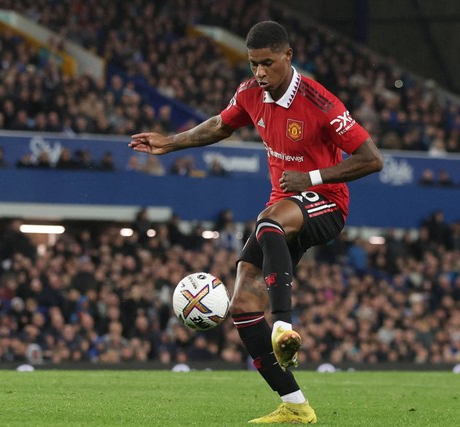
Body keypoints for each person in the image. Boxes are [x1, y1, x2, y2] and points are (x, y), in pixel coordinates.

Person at [130, 21, 383, 424]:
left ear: (288, 56)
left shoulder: (321, 103)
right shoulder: (250, 94)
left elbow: (373, 159)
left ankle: (283, 326)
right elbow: (219, 125)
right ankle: (296, 406)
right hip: (285, 207)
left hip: (327, 204)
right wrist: (171, 141)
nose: (260, 72)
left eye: (267, 63)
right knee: (243, 306)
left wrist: (312, 178)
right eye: (253, 64)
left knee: (268, 223)